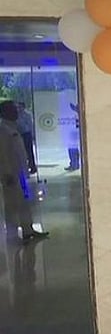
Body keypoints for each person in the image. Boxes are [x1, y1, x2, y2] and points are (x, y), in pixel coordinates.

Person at [0, 101, 49, 243]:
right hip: (11, 175)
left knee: (24, 202)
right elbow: (3, 154)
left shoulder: (13, 127)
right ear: (5, 112)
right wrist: (7, 173)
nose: (16, 112)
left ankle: (28, 230)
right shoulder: (3, 130)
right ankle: (13, 234)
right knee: (12, 204)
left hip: (20, 173)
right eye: (13, 109)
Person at [15, 102, 37, 174]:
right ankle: (24, 168)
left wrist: (32, 135)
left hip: (26, 134)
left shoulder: (27, 115)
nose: (18, 109)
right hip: (19, 134)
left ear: (23, 107)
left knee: (29, 151)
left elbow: (30, 125)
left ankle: (32, 166)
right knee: (21, 152)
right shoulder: (16, 115)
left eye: (20, 107)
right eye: (18, 107)